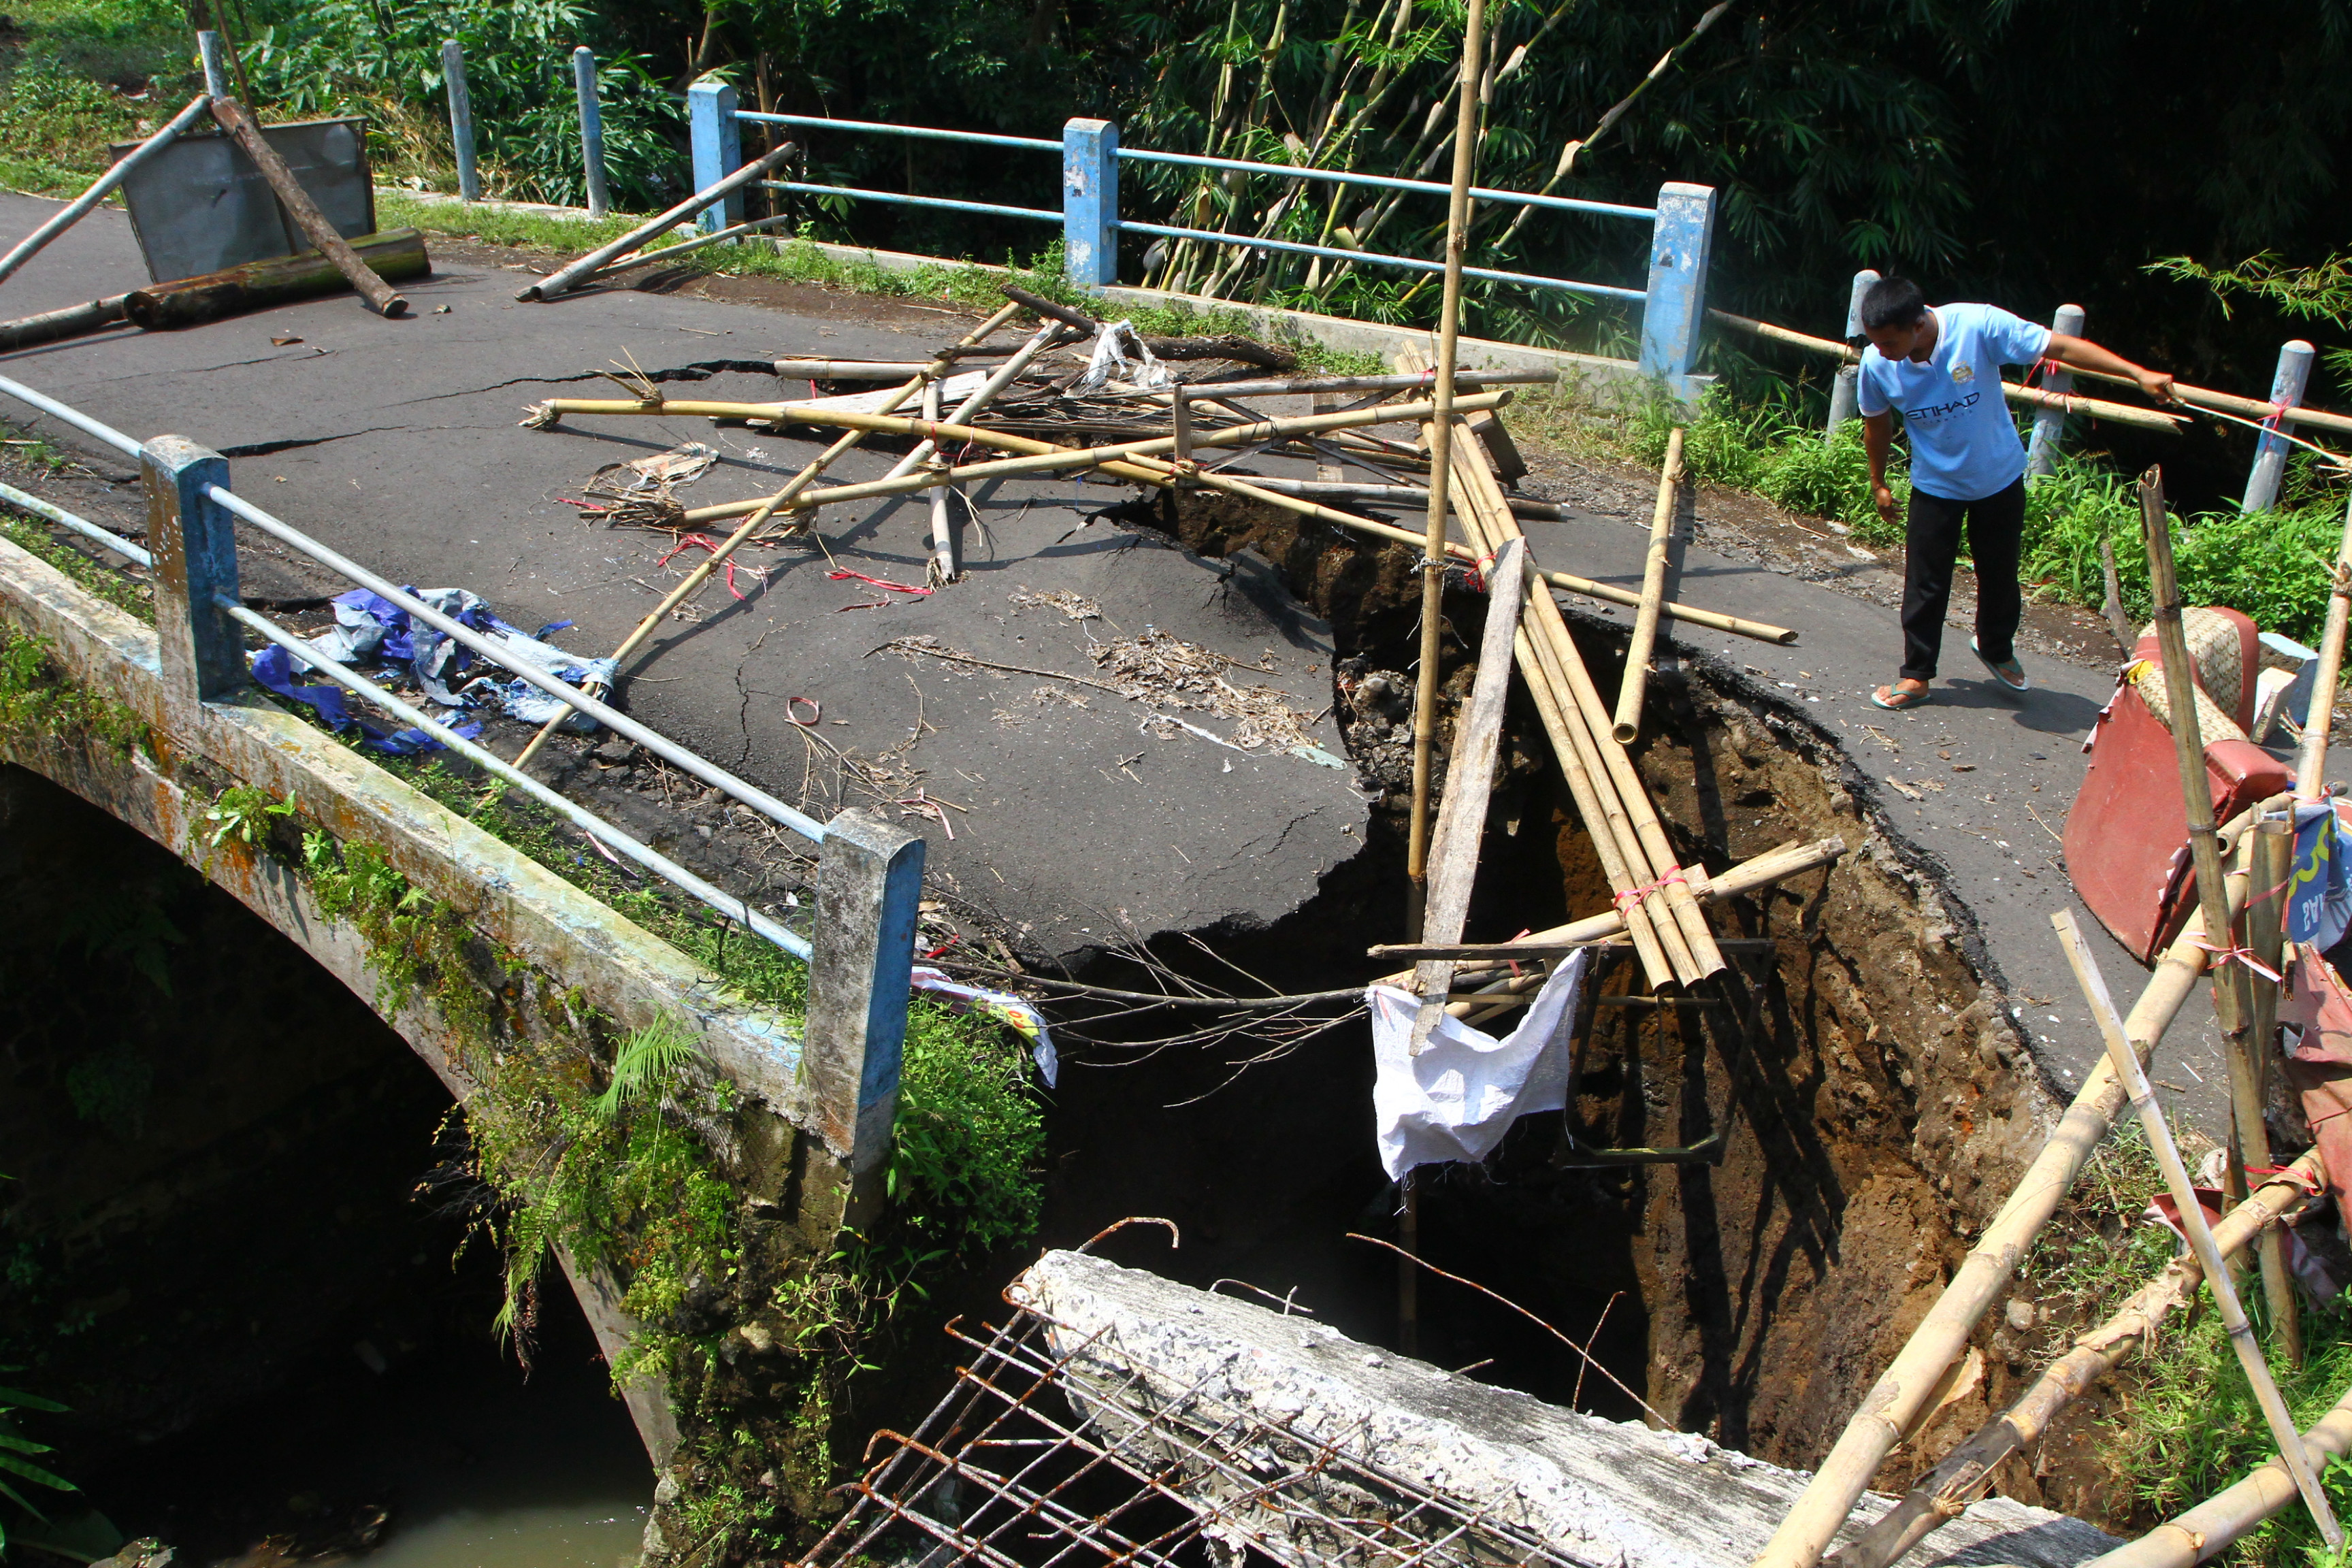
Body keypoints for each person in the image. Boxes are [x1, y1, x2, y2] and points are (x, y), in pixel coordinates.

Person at [1857, 277, 2175, 710]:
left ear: (1918, 323)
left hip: (1999, 476)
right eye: (1876, 343)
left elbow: (2059, 347)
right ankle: (1916, 675)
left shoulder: (1977, 325)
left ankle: (1994, 647)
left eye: (1890, 342)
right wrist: (1878, 482)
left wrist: (2138, 374)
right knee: (1925, 584)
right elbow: (1876, 423)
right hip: (1934, 484)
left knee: (2000, 573)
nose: (1883, 353)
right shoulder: (1877, 363)